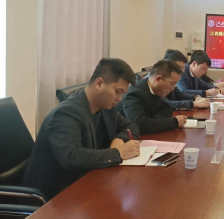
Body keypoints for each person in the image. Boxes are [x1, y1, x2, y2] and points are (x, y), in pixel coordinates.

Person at [21, 59, 141, 200]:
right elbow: (72, 157)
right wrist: (118, 153)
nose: (120, 99)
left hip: (86, 182)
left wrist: (119, 139)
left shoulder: (106, 108)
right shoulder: (66, 113)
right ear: (99, 83)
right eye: (117, 92)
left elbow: (131, 126)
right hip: (53, 196)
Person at [119, 60, 188, 135]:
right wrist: (174, 122)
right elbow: (140, 125)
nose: (172, 89)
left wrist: (152, 121)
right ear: (158, 79)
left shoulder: (156, 90)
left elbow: (167, 109)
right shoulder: (134, 94)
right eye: (172, 84)